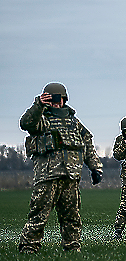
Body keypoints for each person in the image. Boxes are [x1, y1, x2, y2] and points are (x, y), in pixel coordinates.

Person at [18, 82, 103, 254]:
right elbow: (26, 123)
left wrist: (95, 167)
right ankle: (28, 248)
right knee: (39, 215)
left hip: (71, 178)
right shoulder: (41, 120)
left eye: (60, 99)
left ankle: (73, 249)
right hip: (47, 177)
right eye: (52, 99)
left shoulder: (74, 123)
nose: (57, 103)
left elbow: (87, 144)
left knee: (72, 217)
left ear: (65, 99)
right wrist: (39, 105)